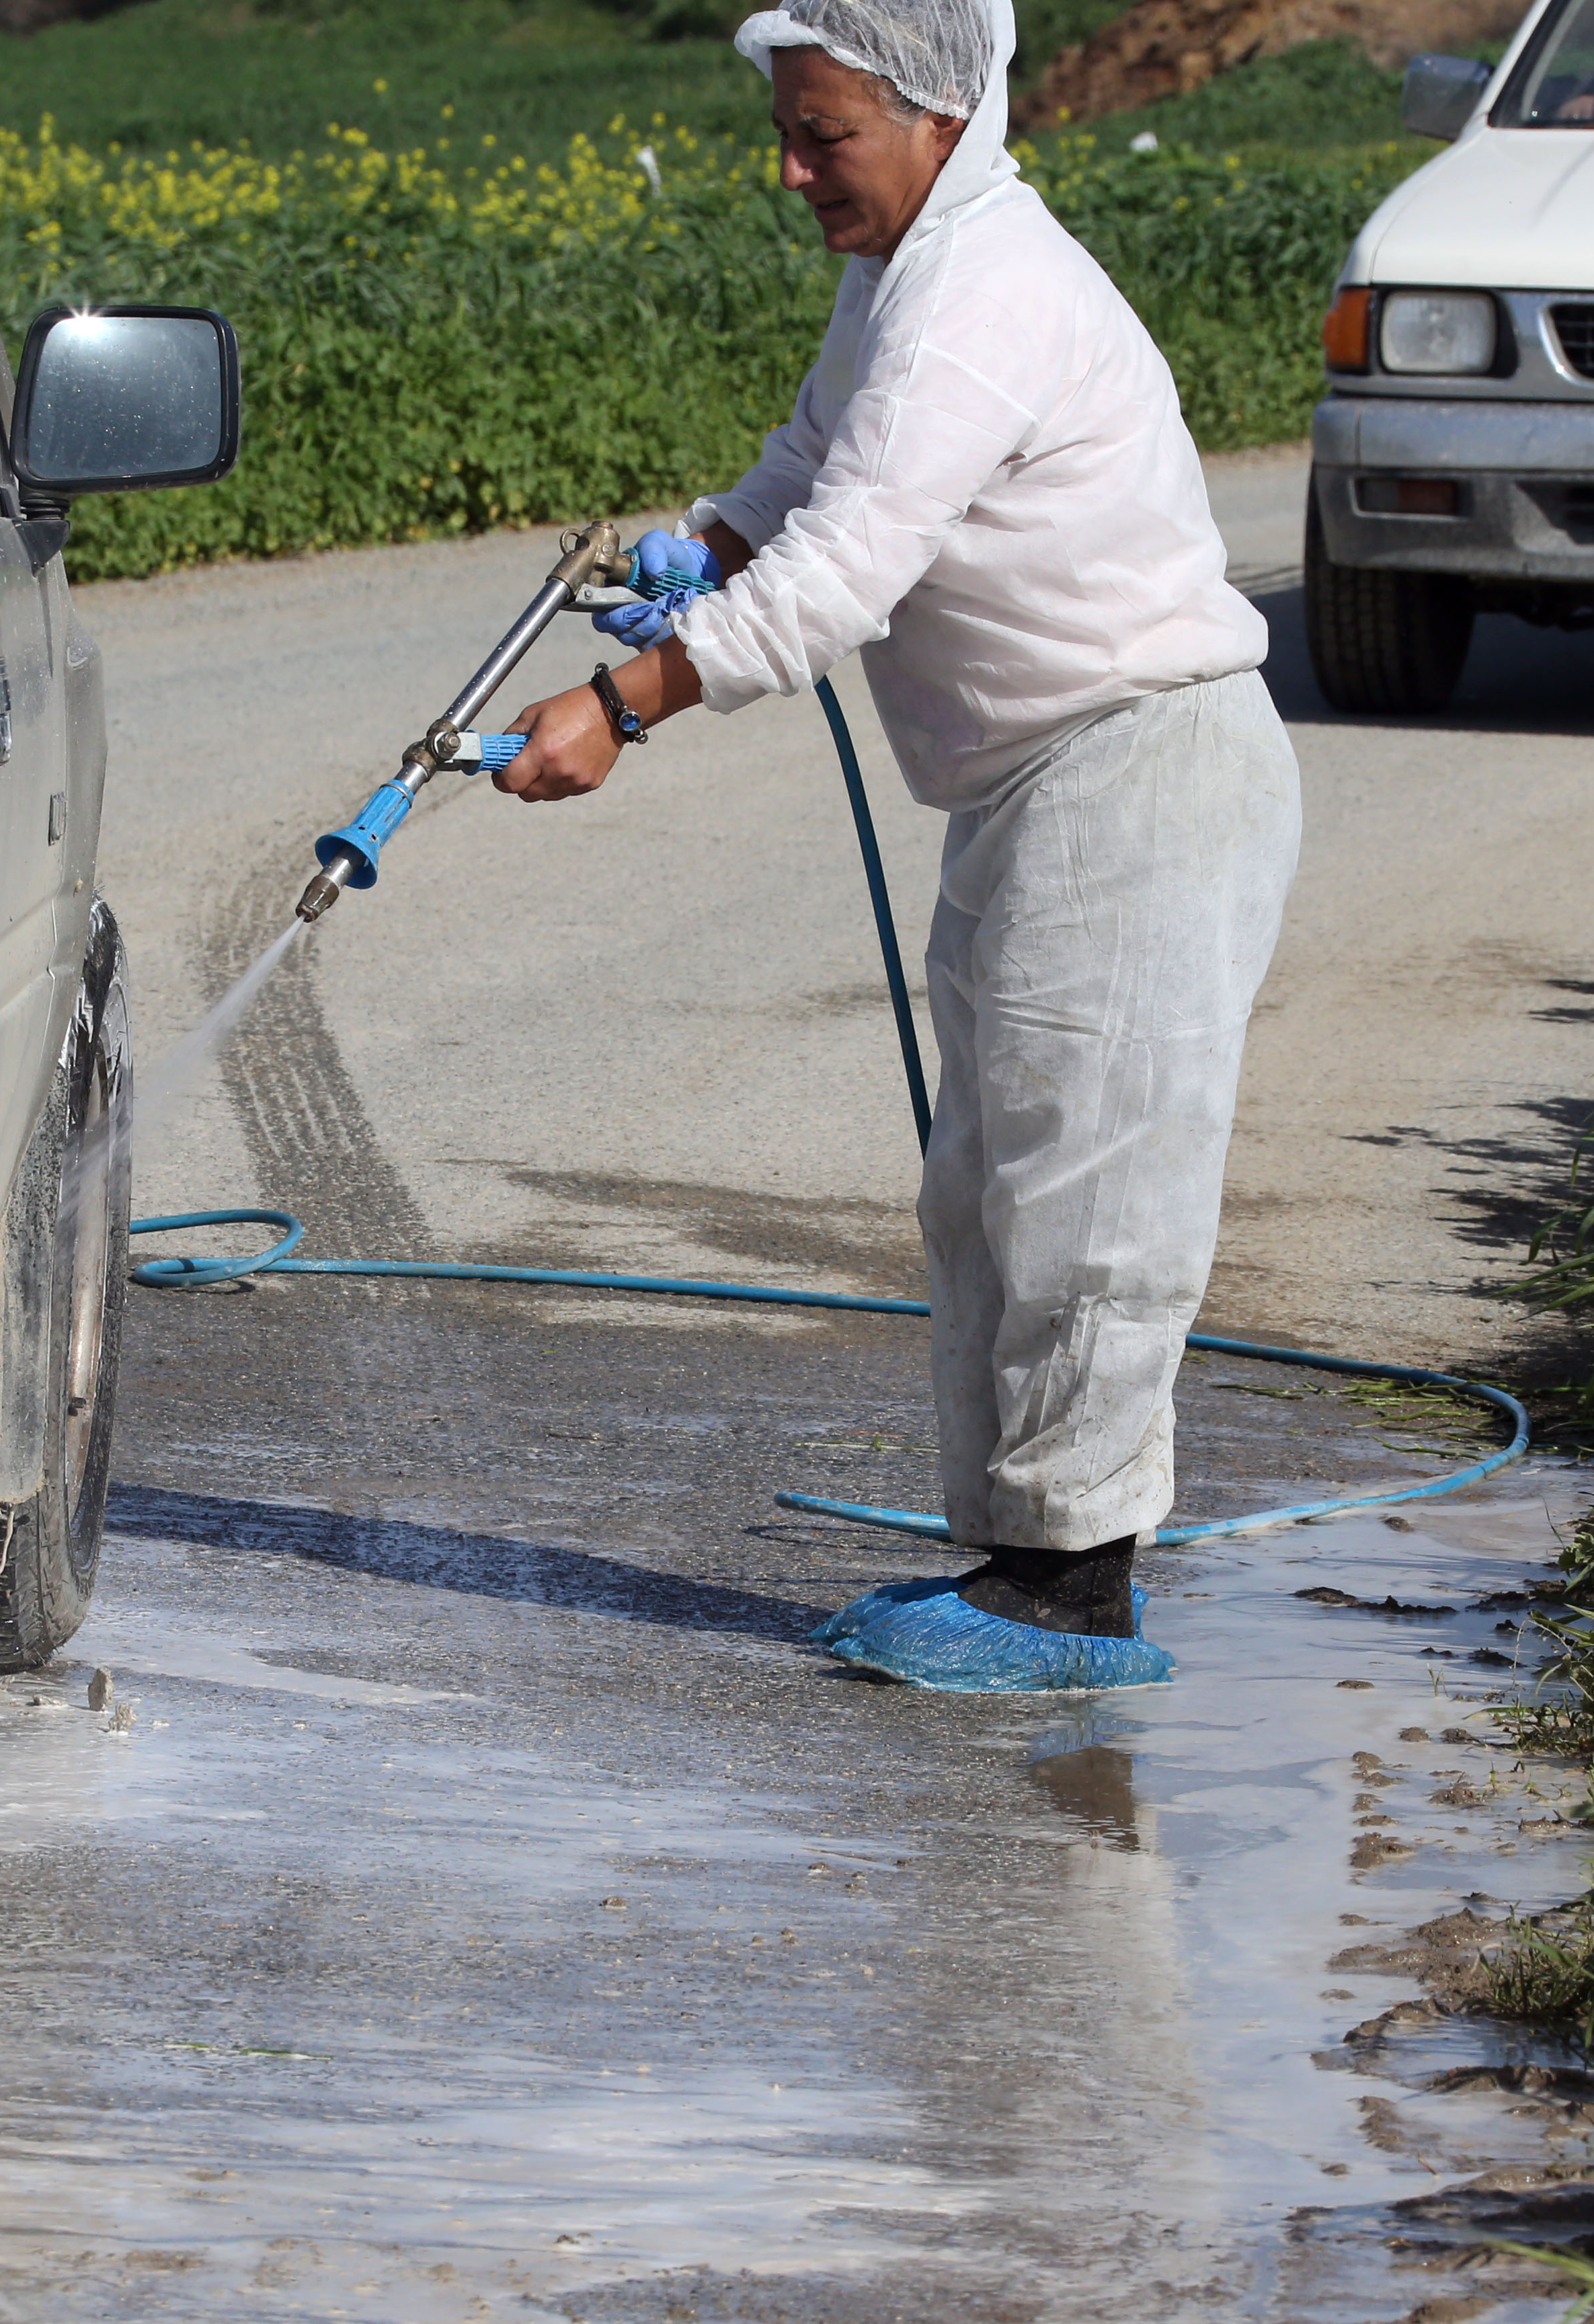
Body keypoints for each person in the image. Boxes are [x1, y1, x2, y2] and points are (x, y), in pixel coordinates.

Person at [490, 0, 1300, 1691]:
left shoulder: (985, 297)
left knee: (1091, 1192)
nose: (792, 170)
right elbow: (814, 466)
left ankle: (1075, 1597)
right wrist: (707, 543)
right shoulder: (906, 272)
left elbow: (848, 574)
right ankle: (1015, 1559)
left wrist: (625, 700)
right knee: (992, 1192)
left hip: (1140, 770)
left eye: (824, 136)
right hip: (1035, 786)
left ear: (938, 113)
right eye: (785, 131)